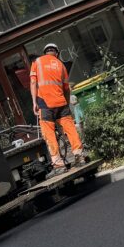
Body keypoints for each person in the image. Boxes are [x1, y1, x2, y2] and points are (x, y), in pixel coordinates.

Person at [30, 43, 85, 175]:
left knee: (49, 133)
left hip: (45, 104)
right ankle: (80, 156)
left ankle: (58, 164)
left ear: (45, 52)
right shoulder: (61, 65)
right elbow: (66, 88)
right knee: (70, 129)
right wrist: (66, 102)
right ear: (57, 53)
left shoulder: (37, 62)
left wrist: (34, 102)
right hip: (61, 103)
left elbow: (33, 82)